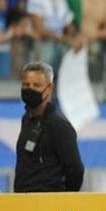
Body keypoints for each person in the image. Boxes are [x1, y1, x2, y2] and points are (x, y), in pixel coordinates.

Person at [13, 61, 84, 193]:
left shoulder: (59, 125)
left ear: (49, 88)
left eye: (36, 85)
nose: (30, 89)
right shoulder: (27, 119)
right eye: (26, 85)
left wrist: (61, 201)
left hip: (49, 206)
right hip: (23, 204)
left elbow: (75, 170)